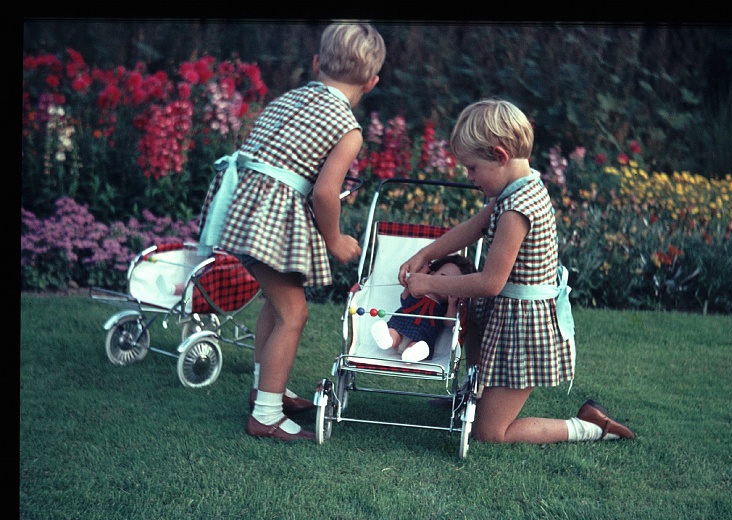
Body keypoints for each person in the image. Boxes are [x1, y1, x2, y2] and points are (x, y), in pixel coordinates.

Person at [398, 99, 635, 444]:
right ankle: (472, 398)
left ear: (500, 155)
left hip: (523, 324)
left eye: (473, 168)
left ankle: (590, 426)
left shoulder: (517, 209)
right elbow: (474, 227)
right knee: (474, 337)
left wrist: (429, 282)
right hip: (503, 311)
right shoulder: (516, 188)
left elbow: (490, 282)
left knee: (490, 433)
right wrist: (425, 253)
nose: (469, 177)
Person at [196, 22, 386, 442]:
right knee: (293, 314)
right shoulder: (348, 129)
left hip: (243, 208)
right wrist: (335, 239)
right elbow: (325, 194)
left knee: (276, 302)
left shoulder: (289, 100)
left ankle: (266, 391)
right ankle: (265, 416)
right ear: (372, 82)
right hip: (269, 219)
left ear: (317, 63)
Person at [371, 254, 476, 362]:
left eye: (450, 283)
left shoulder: (444, 307)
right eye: (442, 275)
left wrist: (452, 304)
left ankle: (413, 353)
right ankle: (387, 339)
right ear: (432, 274)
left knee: (419, 344)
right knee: (393, 332)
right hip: (402, 323)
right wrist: (422, 272)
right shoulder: (417, 292)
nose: (443, 283)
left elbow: (449, 322)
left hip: (422, 333)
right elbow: (405, 296)